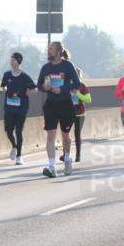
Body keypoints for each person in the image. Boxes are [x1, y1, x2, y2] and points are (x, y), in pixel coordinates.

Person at [36, 41, 81, 178]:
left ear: (59, 52)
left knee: (65, 136)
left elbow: (77, 83)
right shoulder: (46, 68)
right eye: (48, 49)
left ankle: (67, 158)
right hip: (51, 104)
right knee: (50, 135)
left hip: (65, 104)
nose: (48, 51)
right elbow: (39, 85)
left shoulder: (67, 66)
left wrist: (62, 89)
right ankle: (52, 167)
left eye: (51, 49)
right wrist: (45, 87)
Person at [0, 52, 37, 165]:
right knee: (8, 132)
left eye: (13, 60)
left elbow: (35, 89)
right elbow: (3, 86)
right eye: (11, 60)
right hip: (9, 108)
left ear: (18, 61)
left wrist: (24, 93)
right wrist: (6, 90)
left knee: (19, 131)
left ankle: (19, 157)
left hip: (21, 109)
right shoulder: (7, 75)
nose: (11, 62)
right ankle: (14, 146)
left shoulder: (24, 76)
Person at [60, 66, 92, 163]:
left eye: (77, 76)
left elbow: (88, 100)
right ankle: (65, 154)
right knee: (65, 134)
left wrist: (78, 94)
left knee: (77, 134)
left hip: (79, 113)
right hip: (68, 113)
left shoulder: (82, 86)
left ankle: (78, 156)